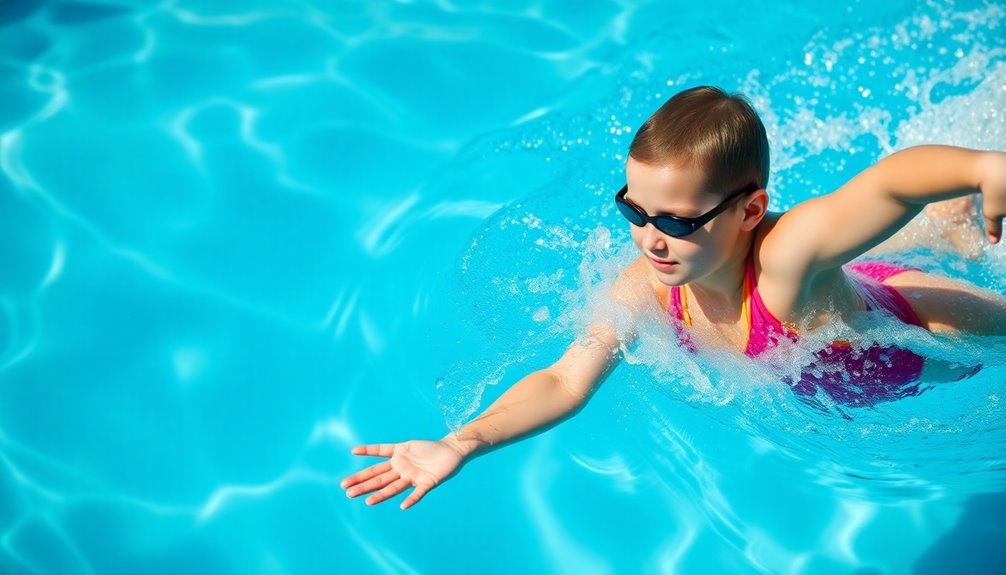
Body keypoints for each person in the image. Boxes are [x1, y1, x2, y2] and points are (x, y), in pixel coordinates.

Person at [341, 86, 1006, 510]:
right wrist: (462, 442)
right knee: (904, 244)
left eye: (679, 222)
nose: (652, 240)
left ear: (750, 209)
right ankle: (951, 225)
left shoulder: (783, 258)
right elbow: (566, 381)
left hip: (919, 327)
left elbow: (889, 185)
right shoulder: (649, 290)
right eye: (636, 212)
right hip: (840, 333)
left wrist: (982, 167)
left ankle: (965, 214)